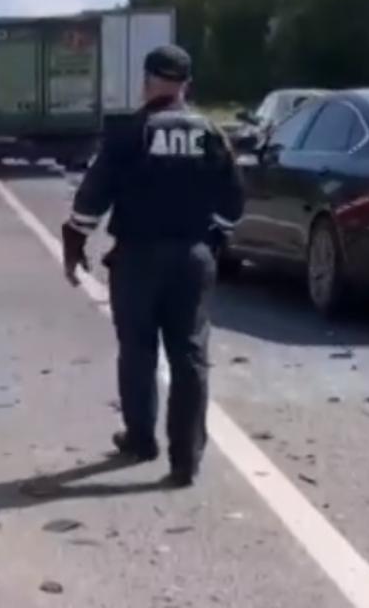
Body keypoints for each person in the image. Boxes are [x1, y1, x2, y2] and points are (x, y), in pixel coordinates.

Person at [61, 44, 244, 487]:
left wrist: (75, 243)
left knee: (138, 349)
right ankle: (186, 460)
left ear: (146, 82)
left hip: (138, 259)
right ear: (187, 86)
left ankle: (141, 439)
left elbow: (92, 197)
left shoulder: (130, 133)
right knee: (189, 355)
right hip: (192, 256)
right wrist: (213, 238)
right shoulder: (210, 134)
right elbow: (234, 202)